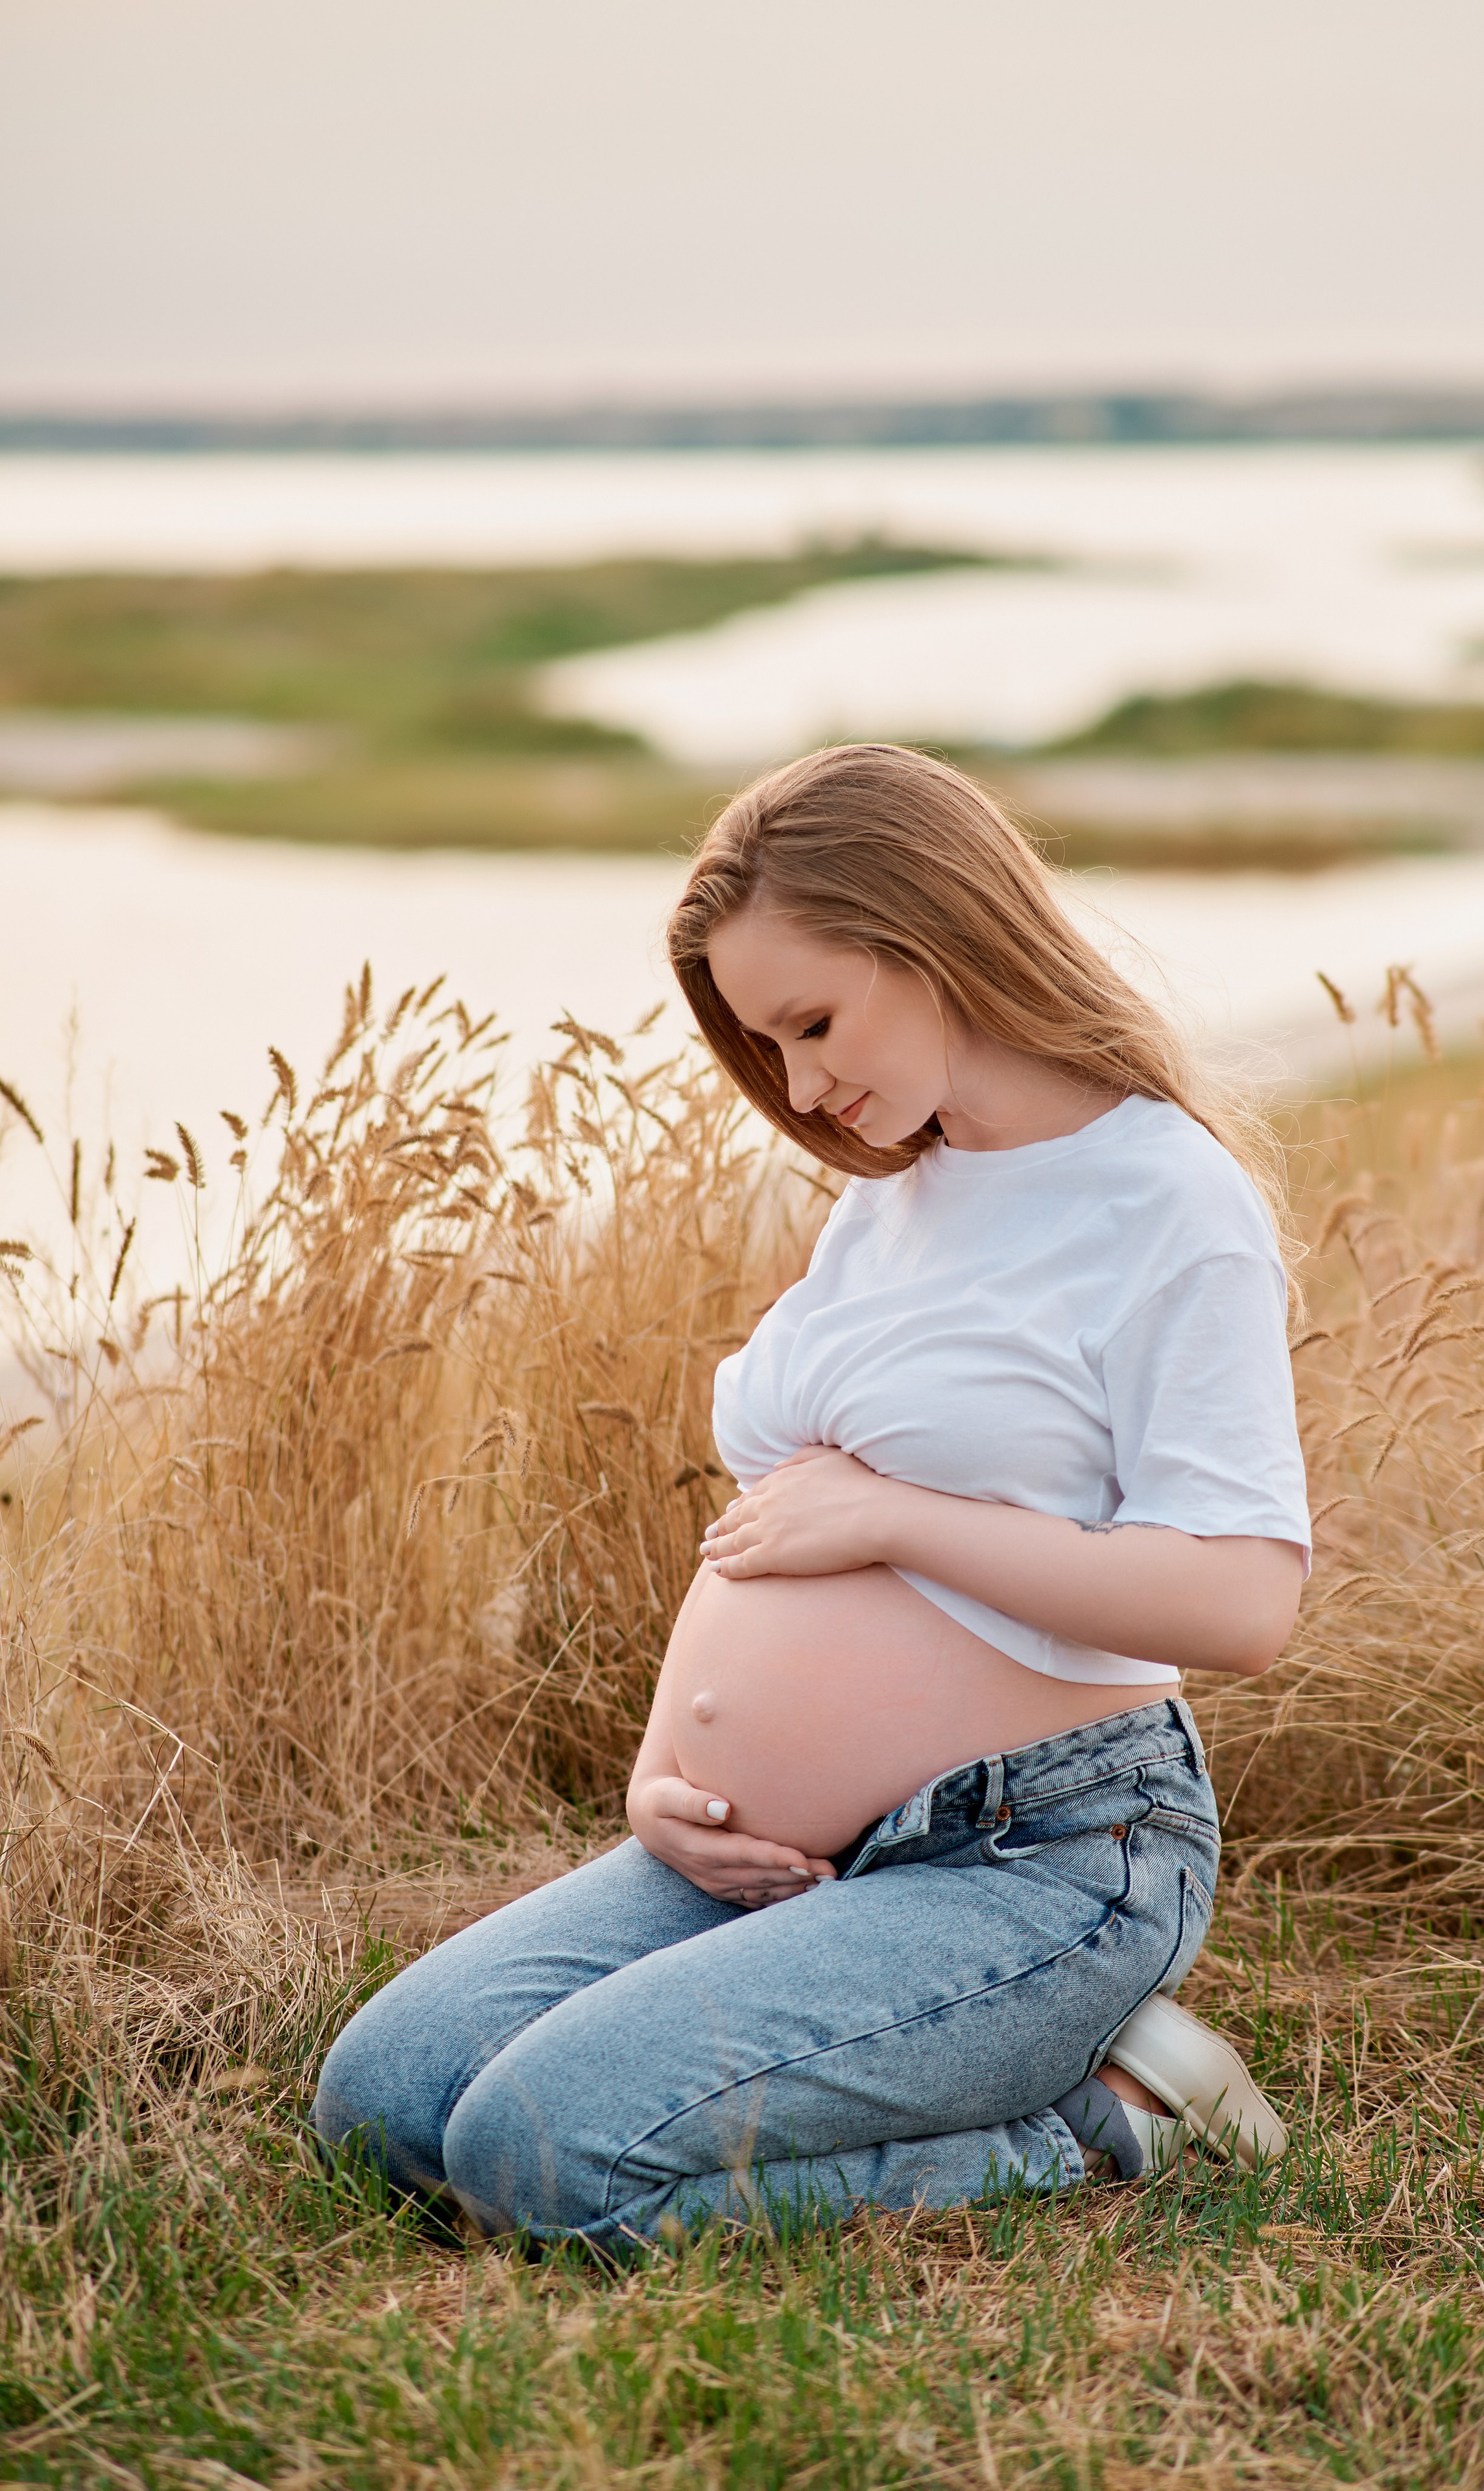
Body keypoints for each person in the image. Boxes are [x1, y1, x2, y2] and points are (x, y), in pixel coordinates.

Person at [314, 744, 1310, 2248]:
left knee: (538, 2157)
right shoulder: (889, 1199)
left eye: (812, 1022)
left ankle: (1099, 2120)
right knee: (383, 2102)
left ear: (936, 931)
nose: (797, 1085)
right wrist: (669, 1786)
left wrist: (903, 1522)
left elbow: (1243, 1600)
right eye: (764, 1045)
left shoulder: (1164, 1199)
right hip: (798, 1860)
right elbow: (775, 1535)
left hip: (1044, 1857)